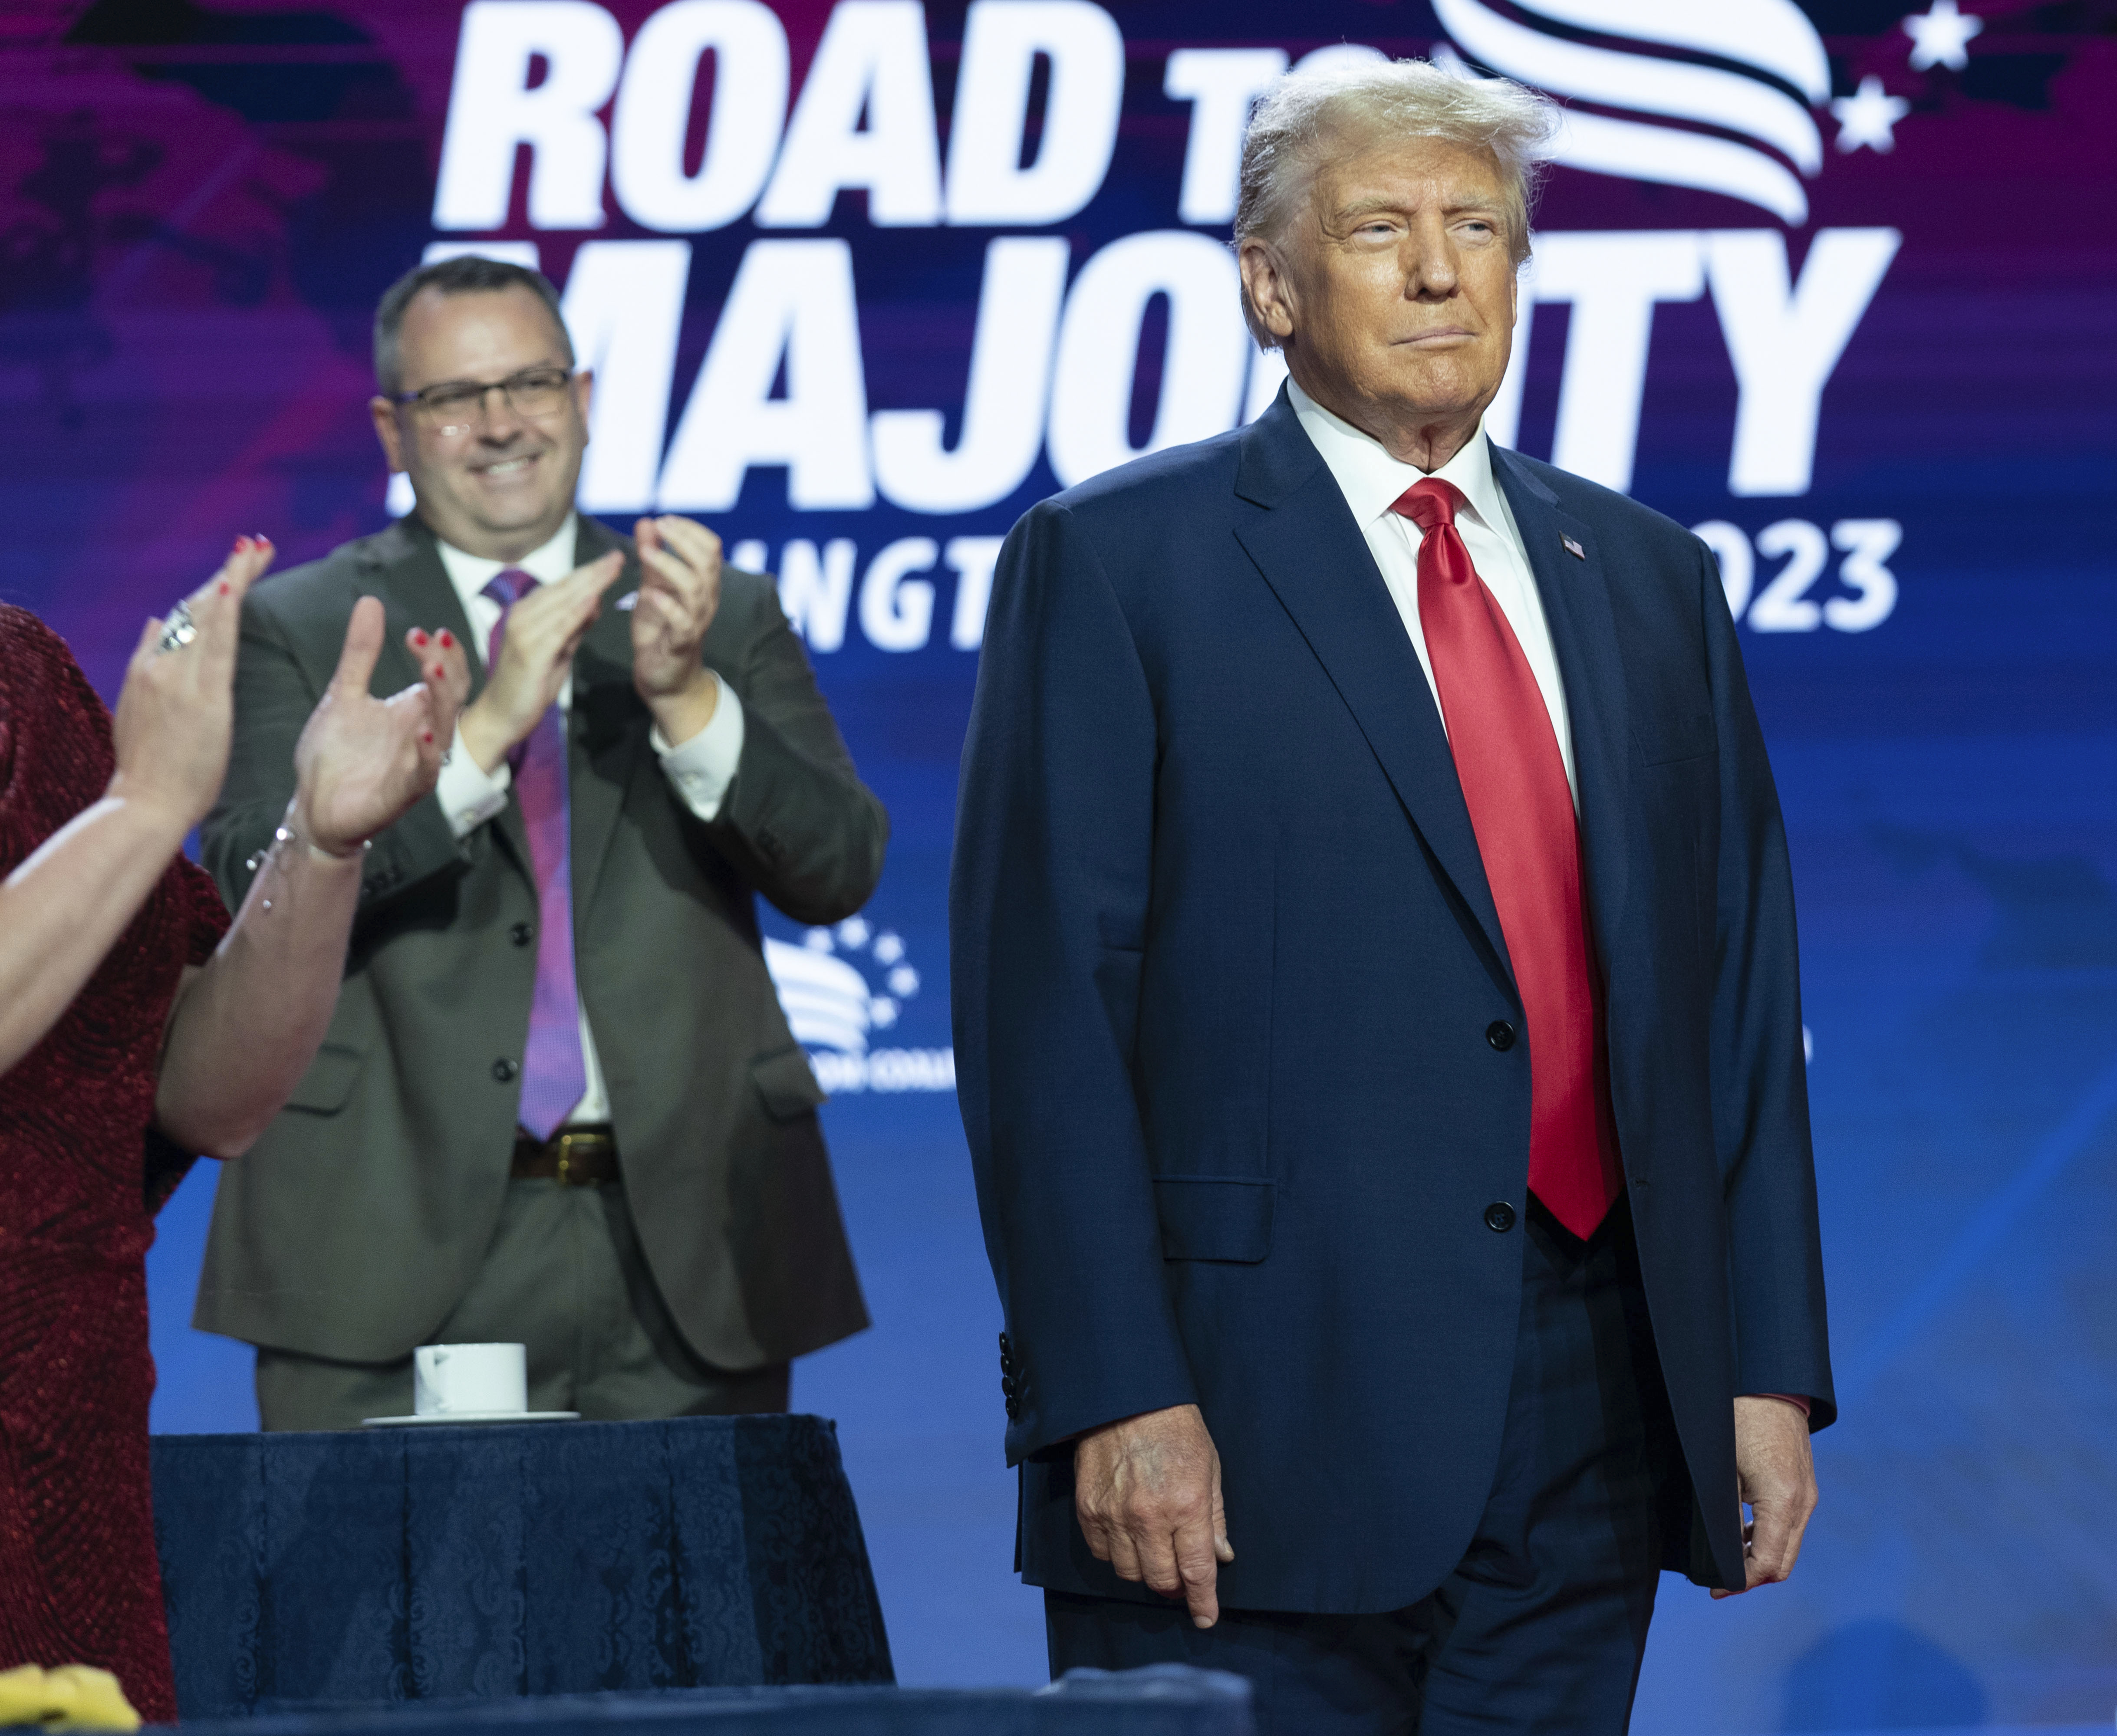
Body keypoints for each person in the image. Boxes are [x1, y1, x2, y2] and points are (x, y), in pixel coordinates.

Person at [952, 60, 1832, 1731]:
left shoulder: (1649, 576)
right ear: (1270, 286)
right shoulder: (1121, 563)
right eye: (1381, 229)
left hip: (1593, 1409)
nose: (1442, 271)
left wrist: (1762, 1362)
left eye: (1479, 227)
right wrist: (1114, 1396)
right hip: (1247, 1424)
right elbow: (1042, 1019)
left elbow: (1735, 993)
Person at [198, 255, 888, 1430]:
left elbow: (838, 869)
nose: (503, 424)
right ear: (393, 430)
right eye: (456, 398)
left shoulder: (716, 609)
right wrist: (482, 736)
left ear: (582, 396)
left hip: (688, 1256)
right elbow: (241, 892)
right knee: (396, 1620)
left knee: (694, 1617)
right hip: (381, 1243)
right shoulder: (306, 629)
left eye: (532, 383)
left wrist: (688, 704)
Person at [2, 537, 458, 1720]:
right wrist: (146, 805)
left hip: (60, 1471)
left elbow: (205, 1094)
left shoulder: (23, 684)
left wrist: (323, 841)